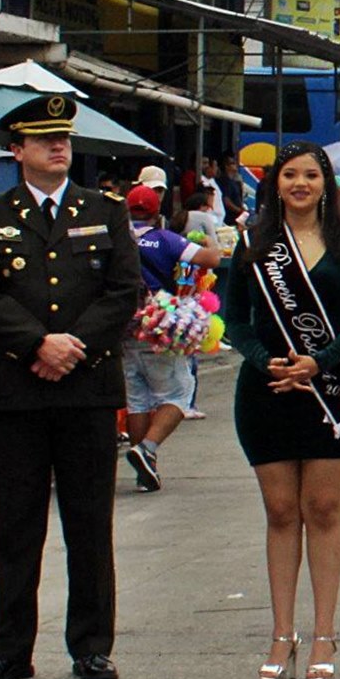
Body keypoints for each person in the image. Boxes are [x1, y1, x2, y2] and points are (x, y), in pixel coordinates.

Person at [0, 95, 144, 679]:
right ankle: (9, 649)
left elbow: (124, 290)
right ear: (17, 150)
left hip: (86, 386)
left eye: (62, 137)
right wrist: (39, 344)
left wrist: (72, 347)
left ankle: (91, 646)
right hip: (16, 388)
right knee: (14, 526)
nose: (58, 146)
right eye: (43, 139)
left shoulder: (104, 209)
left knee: (89, 524)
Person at [224, 142, 340, 679]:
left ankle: (324, 634)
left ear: (325, 183)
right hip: (266, 389)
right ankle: (281, 634)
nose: (300, 184)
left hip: (332, 390)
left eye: (311, 175)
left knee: (324, 509)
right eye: (290, 174)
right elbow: (235, 320)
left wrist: (321, 361)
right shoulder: (252, 243)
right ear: (275, 183)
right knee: (280, 511)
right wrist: (264, 360)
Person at [122, 182, 221, 491]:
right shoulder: (164, 239)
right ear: (156, 212)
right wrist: (208, 241)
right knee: (179, 394)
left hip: (124, 329)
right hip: (159, 328)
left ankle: (145, 471)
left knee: (137, 400)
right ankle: (146, 448)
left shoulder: (117, 239)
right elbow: (211, 259)